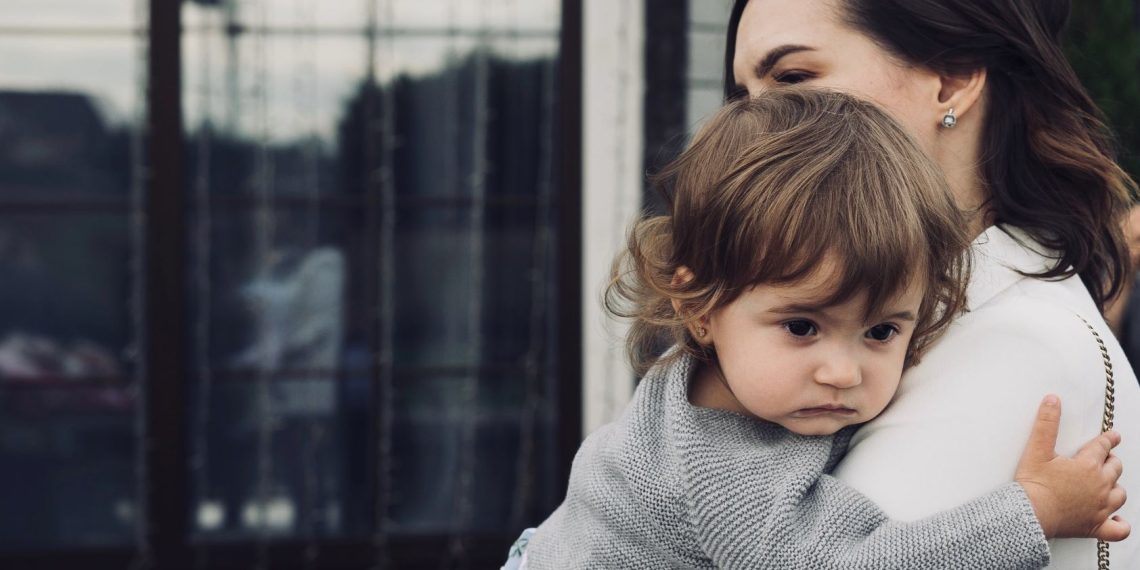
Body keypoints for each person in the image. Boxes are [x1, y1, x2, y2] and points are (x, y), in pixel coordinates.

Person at [505, 90, 1128, 569]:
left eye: (882, 332)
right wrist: (1034, 510)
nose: (843, 371)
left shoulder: (738, 360)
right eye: (803, 326)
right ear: (699, 306)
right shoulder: (721, 472)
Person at [724, 0, 1140, 566]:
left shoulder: (1012, 342)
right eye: (744, 97)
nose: (754, 127)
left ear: (952, 81)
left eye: (794, 79)